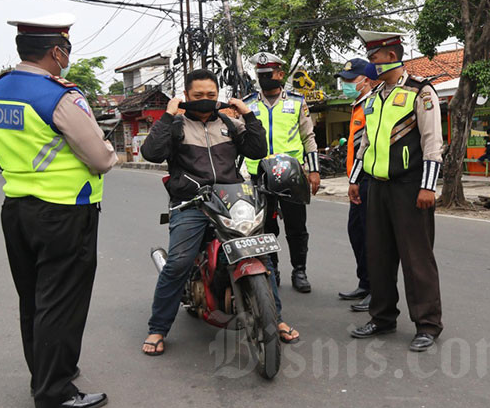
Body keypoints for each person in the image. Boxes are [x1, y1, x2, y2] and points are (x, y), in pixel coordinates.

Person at [0, 13, 117, 408]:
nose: (67, 58)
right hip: (63, 212)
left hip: (17, 209)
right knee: (61, 302)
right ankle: (54, 392)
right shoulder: (58, 95)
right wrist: (108, 152)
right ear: (56, 52)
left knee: (35, 299)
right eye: (67, 51)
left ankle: (45, 373)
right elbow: (99, 157)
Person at [139, 69, 299, 352]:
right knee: (179, 262)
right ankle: (158, 328)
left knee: (261, 254)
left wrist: (248, 115)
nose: (205, 100)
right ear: (186, 96)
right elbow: (151, 153)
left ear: (218, 96)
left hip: (231, 200)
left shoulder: (228, 123)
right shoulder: (176, 126)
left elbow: (257, 150)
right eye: (198, 95)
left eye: (211, 95)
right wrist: (167, 115)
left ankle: (277, 317)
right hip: (191, 203)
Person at [348, 30, 444, 352]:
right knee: (379, 255)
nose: (370, 64)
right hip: (376, 187)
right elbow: (365, 144)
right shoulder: (374, 98)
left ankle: (427, 324)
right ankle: (383, 317)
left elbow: (432, 143)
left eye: (373, 58)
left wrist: (428, 187)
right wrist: (354, 180)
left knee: (417, 258)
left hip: (409, 187)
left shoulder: (421, 92)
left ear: (391, 56)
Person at [243, 52, 320, 293]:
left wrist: (314, 171)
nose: (265, 78)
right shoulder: (248, 104)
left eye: (269, 74)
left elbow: (308, 137)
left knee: (296, 226)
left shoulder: (297, 102)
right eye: (261, 75)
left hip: (291, 173)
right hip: (260, 174)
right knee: (265, 226)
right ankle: (271, 268)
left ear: (280, 75)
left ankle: (300, 270)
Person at [336, 58, 375, 312]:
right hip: (356, 180)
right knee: (357, 234)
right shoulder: (357, 105)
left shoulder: (373, 105)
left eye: (351, 80)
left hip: (368, 180)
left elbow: (368, 147)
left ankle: (376, 289)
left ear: (366, 80)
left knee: (372, 238)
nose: (347, 84)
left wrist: (357, 180)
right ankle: (365, 282)